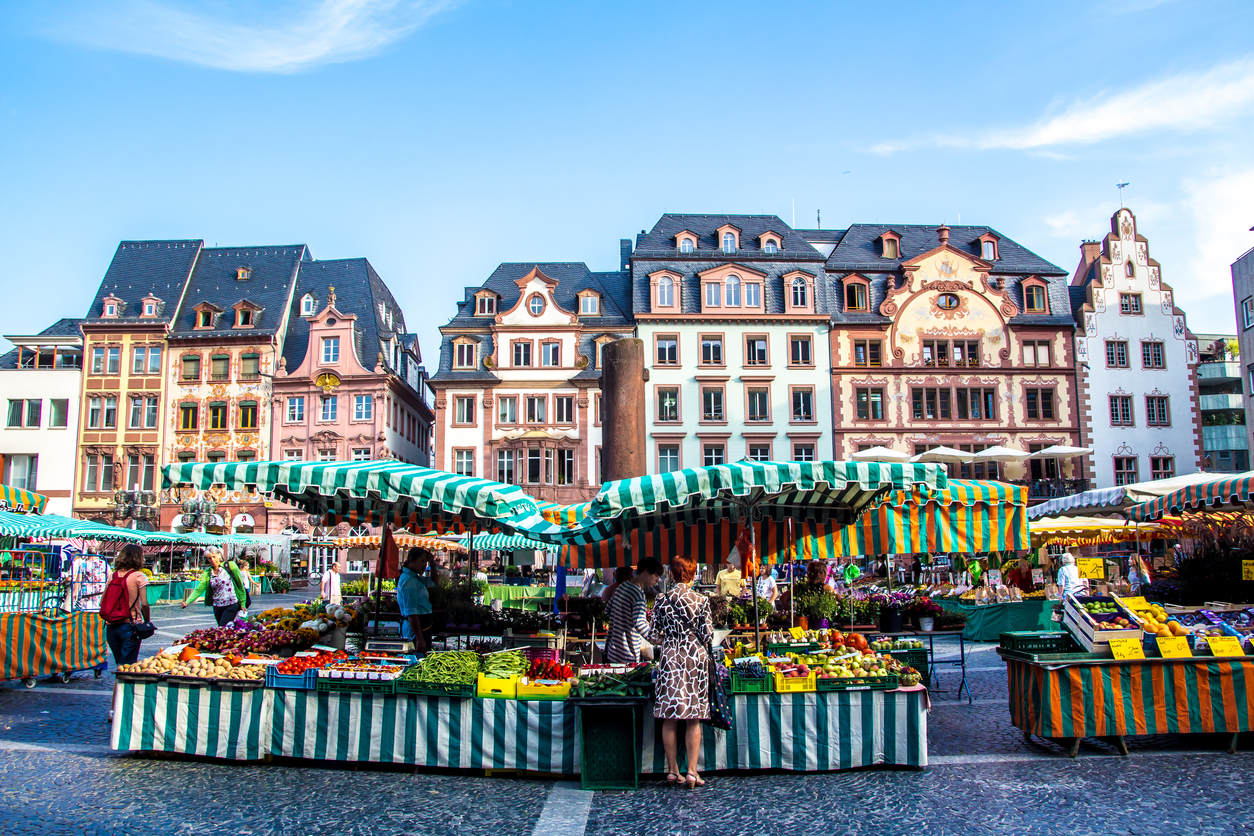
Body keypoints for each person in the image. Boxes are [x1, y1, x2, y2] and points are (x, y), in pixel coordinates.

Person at [649, 554, 713, 789]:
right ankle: (692, 772)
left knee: (670, 716)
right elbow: (708, 635)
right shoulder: (701, 600)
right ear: (693, 574)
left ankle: (673, 771)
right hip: (694, 659)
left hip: (670, 659)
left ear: (672, 574)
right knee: (693, 717)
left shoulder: (661, 600)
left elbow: (654, 636)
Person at [606, 559, 663, 663]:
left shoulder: (622, 586)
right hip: (627, 654)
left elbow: (608, 609)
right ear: (646, 571)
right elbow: (639, 623)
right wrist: (657, 639)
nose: (658, 579)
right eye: (656, 575)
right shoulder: (638, 594)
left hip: (613, 650)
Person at [104, 544, 150, 666]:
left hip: (111, 626)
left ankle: (116, 685)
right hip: (130, 624)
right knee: (127, 666)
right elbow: (144, 604)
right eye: (142, 556)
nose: (144, 559)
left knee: (119, 663)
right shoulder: (139, 576)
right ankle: (120, 685)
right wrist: (147, 621)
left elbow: (102, 601)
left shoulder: (113, 575)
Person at [182, 547, 248, 626]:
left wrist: (242, 603)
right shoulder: (207, 573)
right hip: (217, 606)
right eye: (209, 558)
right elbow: (199, 589)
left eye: (214, 557)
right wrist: (187, 602)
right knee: (223, 630)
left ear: (219, 555)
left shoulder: (230, 565)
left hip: (231, 604)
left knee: (222, 628)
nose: (212, 560)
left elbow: (240, 585)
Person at [397, 548, 434, 652]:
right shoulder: (409, 581)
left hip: (422, 627)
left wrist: (433, 565)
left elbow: (434, 582)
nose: (424, 565)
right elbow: (411, 611)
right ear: (412, 560)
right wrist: (419, 638)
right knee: (417, 660)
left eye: (426, 562)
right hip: (415, 631)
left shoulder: (415, 577)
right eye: (422, 561)